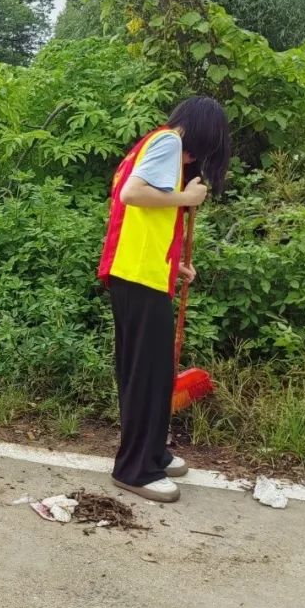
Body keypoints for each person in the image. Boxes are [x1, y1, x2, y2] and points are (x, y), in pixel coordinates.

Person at [97, 96, 230, 503]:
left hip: (143, 275)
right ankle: (134, 469)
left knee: (150, 373)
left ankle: (151, 451)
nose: (196, 157)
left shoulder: (160, 144)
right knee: (146, 376)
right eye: (205, 147)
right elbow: (134, 195)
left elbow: (146, 222)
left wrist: (174, 266)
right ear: (200, 132)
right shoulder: (170, 142)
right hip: (137, 277)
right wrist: (187, 199)